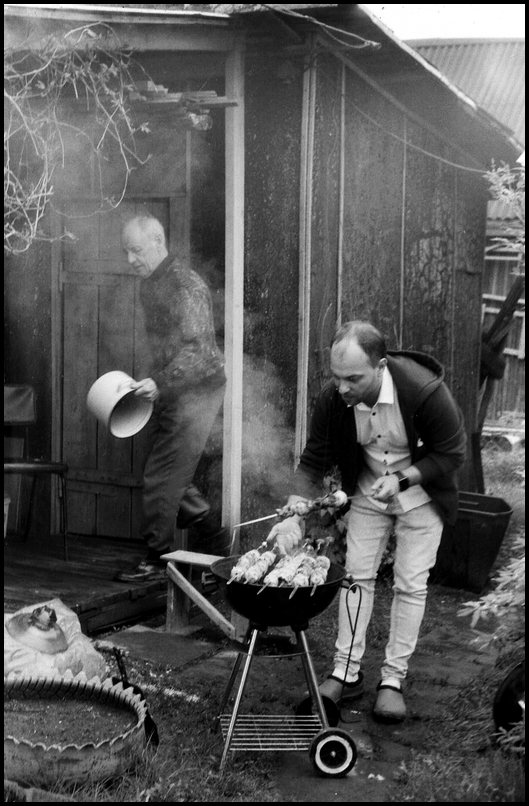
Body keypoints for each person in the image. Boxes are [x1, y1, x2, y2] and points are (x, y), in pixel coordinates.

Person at [268, 320, 467, 722]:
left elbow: (451, 453)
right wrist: (294, 514)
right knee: (356, 577)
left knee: (410, 583)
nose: (342, 387)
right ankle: (346, 672)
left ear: (381, 366)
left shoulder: (425, 392)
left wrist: (402, 479)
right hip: (367, 491)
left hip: (421, 492)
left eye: (353, 379)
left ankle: (393, 679)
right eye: (336, 377)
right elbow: (313, 460)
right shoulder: (334, 399)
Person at [115, 214, 229, 583]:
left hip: (198, 390)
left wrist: (159, 382)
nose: (130, 259)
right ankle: (216, 541)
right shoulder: (151, 284)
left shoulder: (184, 285)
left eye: (136, 250)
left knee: (161, 475)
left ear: (158, 241)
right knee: (170, 474)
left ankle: (157, 559)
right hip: (174, 388)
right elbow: (165, 347)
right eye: (126, 252)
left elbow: (199, 352)